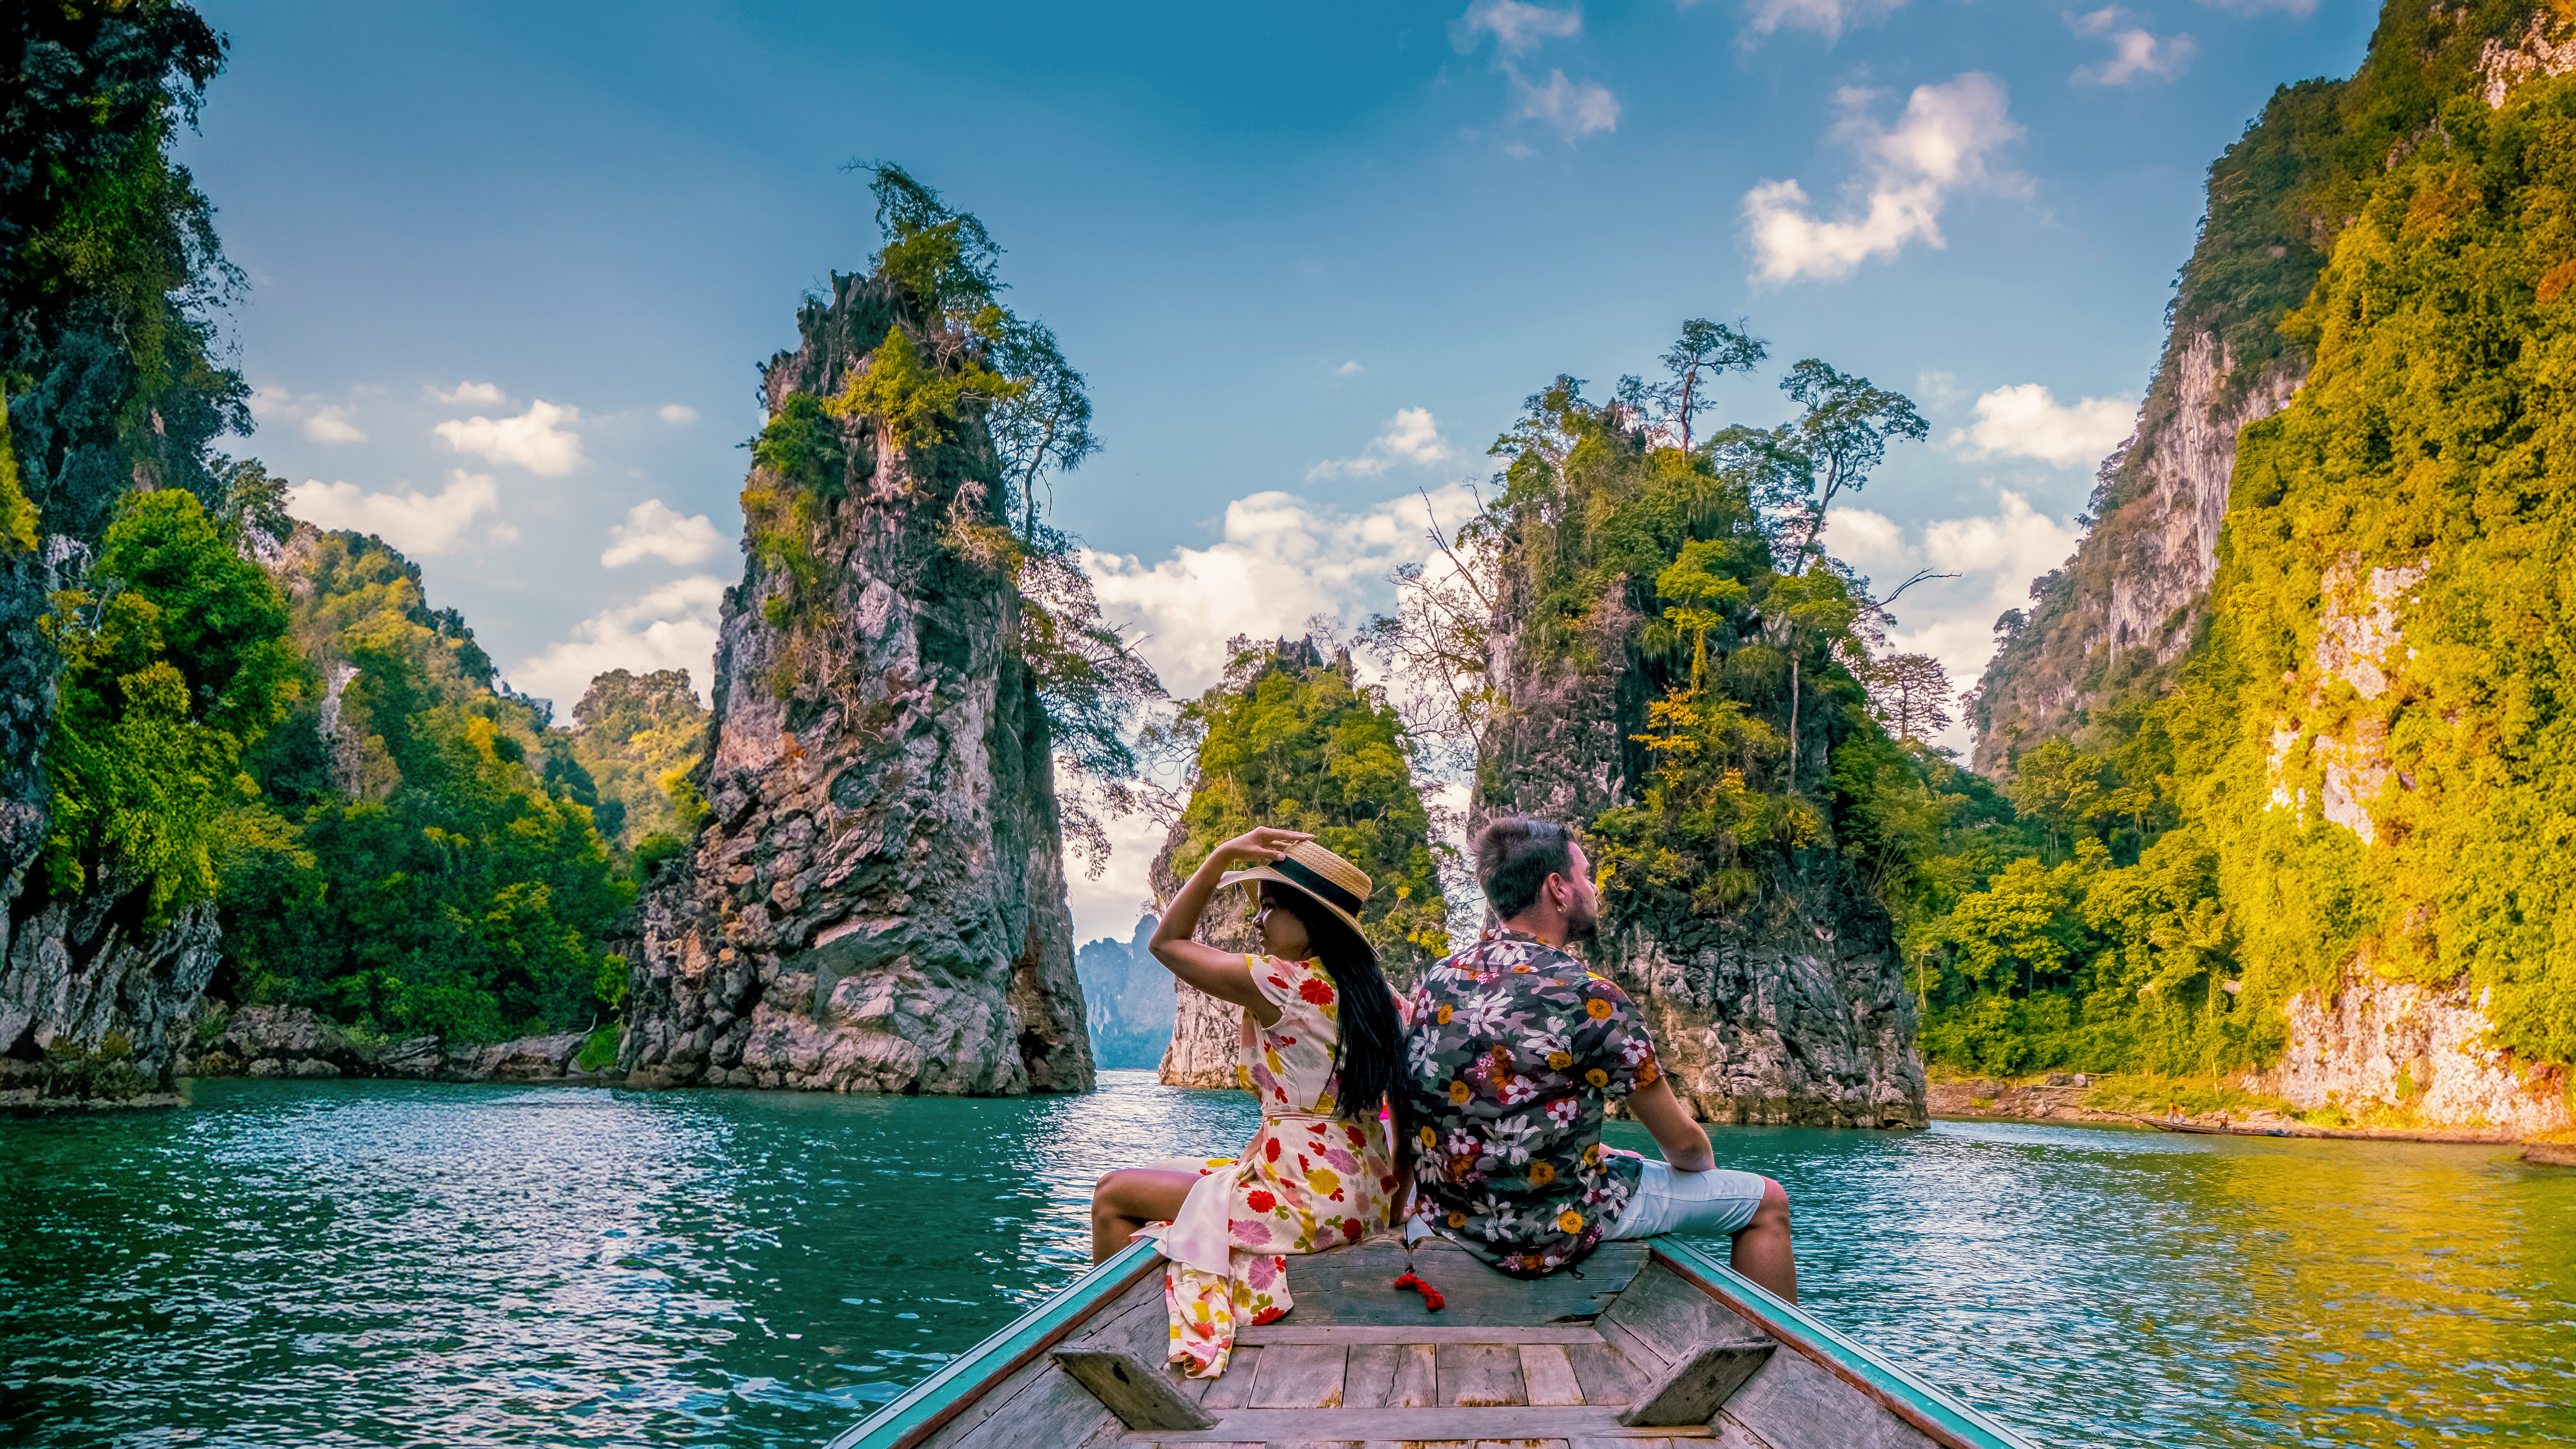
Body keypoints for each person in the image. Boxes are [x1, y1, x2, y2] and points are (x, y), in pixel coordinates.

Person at [1399, 816, 1798, 1301]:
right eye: (1585, 875)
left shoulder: (1439, 979)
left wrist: (1581, 1150)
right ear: (1558, 888)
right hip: (1545, 1228)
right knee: (1768, 1204)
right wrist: (1700, 1169)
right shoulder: (1588, 996)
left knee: (1619, 1161)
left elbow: (1465, 1103)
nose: (1593, 888)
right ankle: (1776, 1348)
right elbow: (1684, 1148)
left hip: (1450, 1216)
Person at [1088, 826, 1411, 1377]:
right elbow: (1406, 1113)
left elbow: (1166, 944)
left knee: (1112, 1195)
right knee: (1174, 1172)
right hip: (1363, 1198)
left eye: (1268, 907)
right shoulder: (1386, 1000)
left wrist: (1222, 856)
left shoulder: (1281, 982)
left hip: (1301, 1196)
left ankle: (1116, 1342)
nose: (1256, 922)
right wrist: (1394, 1208)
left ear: (1310, 917)